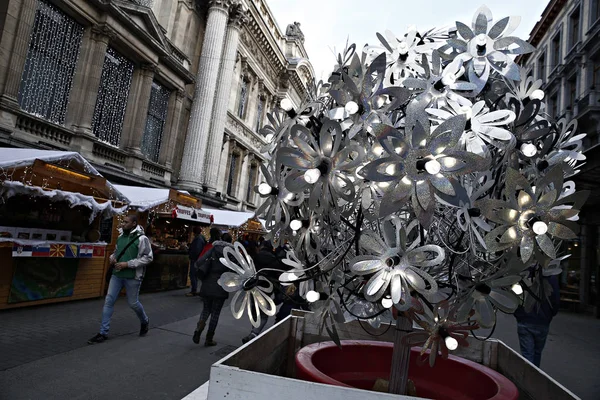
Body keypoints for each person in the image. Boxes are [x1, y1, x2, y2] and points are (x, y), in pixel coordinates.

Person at [88, 214, 153, 344]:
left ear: (134, 224)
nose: (123, 224)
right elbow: (116, 252)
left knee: (133, 303)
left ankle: (144, 320)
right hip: (117, 274)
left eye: (126, 222)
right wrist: (112, 258)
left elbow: (148, 257)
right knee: (109, 301)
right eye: (123, 222)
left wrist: (128, 264)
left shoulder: (142, 239)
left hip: (133, 276)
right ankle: (103, 332)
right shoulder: (120, 237)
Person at [192, 229, 232, 346]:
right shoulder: (230, 252)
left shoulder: (214, 248)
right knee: (215, 313)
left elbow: (200, 261)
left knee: (206, 309)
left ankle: (199, 328)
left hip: (207, 283)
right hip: (221, 285)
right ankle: (209, 338)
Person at [514, 274, 560, 367]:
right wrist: (549, 315)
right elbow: (556, 300)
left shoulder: (524, 274)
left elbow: (515, 296)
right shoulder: (551, 277)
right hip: (542, 321)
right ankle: (534, 376)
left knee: (527, 355)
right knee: (537, 353)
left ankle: (528, 378)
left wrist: (519, 314)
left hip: (525, 320)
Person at [241, 240, 283, 344]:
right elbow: (278, 275)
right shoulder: (274, 259)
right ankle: (254, 334)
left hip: (255, 287)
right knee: (263, 313)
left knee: (254, 310)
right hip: (267, 288)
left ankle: (253, 331)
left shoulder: (257, 256)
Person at [186, 226, 206, 297]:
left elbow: (197, 250)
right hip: (199, 259)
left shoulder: (198, 239)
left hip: (195, 259)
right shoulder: (201, 238)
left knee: (193, 274)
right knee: (195, 275)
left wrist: (192, 255)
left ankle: (193, 290)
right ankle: (197, 290)